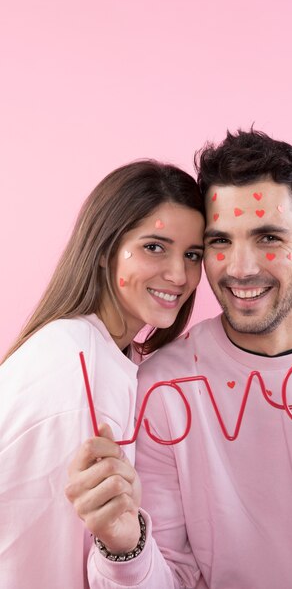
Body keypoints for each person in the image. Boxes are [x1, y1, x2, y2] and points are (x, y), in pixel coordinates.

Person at [67, 130, 292, 589]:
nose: (241, 268)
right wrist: (123, 546)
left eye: (267, 237)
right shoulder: (161, 386)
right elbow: (168, 577)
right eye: (220, 242)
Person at [0, 160, 205, 589]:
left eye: (192, 255)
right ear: (103, 250)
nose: (179, 274)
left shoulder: (86, 350)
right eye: (154, 247)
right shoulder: (85, 371)